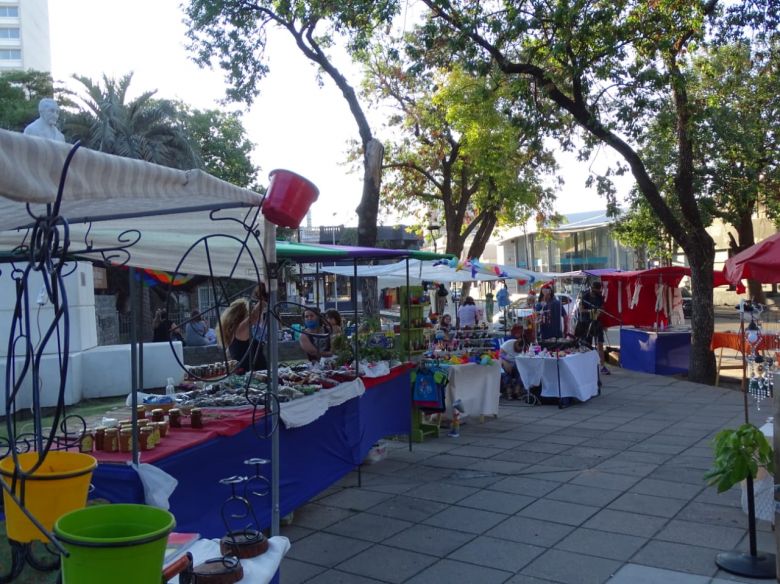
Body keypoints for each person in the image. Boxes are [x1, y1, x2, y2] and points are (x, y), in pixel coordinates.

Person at [578, 280, 609, 374]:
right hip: (586, 323)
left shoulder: (600, 297)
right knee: (587, 345)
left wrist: (600, 311)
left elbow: (603, 308)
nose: (597, 292)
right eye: (595, 290)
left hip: (597, 322)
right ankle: (587, 365)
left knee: (600, 344)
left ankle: (602, 366)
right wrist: (590, 311)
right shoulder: (585, 296)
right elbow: (581, 310)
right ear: (592, 288)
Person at [499, 323, 525, 399]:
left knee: (522, 370)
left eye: (519, 350)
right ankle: (509, 391)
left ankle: (517, 390)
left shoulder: (523, 347)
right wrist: (505, 362)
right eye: (517, 348)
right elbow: (499, 354)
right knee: (505, 371)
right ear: (516, 343)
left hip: (516, 364)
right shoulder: (509, 343)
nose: (518, 350)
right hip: (506, 362)